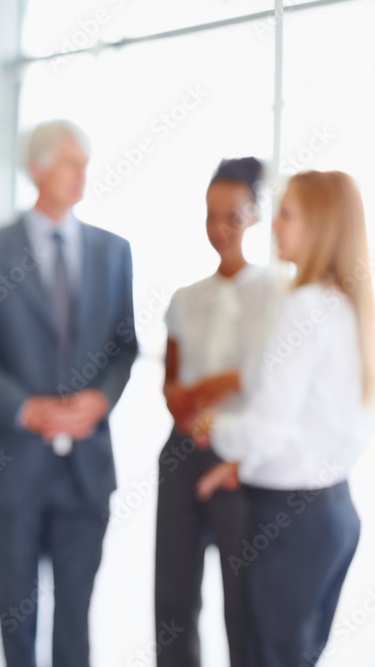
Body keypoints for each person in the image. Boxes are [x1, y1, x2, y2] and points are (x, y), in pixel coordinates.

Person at [0, 119, 137, 667]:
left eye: (85, 163)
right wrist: (26, 409)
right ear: (36, 168)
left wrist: (100, 400)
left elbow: (124, 348)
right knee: (17, 613)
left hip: (87, 469)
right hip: (14, 465)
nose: (82, 174)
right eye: (69, 162)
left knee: (76, 617)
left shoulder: (114, 251)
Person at [197, 170, 374, 667]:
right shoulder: (349, 308)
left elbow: (265, 432)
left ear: (321, 224)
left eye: (288, 214)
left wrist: (216, 429)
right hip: (334, 515)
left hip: (287, 523)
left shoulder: (304, 309)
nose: (273, 225)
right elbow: (321, 428)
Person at [155, 158, 281, 667]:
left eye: (232, 215)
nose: (220, 228)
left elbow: (265, 380)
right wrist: (184, 400)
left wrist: (211, 387)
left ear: (255, 215)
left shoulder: (277, 293)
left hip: (240, 459)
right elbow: (171, 379)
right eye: (211, 216)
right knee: (173, 596)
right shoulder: (187, 297)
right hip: (186, 449)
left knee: (242, 595)